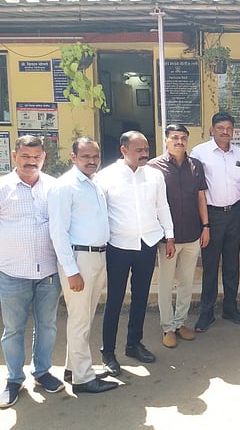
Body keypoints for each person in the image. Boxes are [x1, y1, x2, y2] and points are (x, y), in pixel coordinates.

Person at [95, 131, 175, 376]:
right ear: (124, 151)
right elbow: (99, 213)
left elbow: (162, 206)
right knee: (115, 299)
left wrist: (169, 235)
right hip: (118, 245)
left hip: (147, 243)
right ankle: (108, 352)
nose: (144, 154)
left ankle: (134, 344)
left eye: (146, 149)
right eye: (139, 150)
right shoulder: (105, 177)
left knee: (141, 296)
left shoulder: (154, 175)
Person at [48, 137, 118, 395]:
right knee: (80, 319)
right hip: (79, 259)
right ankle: (83, 379)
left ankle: (74, 368)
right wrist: (71, 270)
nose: (91, 161)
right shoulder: (65, 186)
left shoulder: (93, 183)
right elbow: (58, 232)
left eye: (95, 156)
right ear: (73, 157)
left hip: (97, 256)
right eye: (85, 156)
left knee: (86, 317)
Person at [0, 135, 63, 408]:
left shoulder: (54, 187)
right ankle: (14, 379)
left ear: (44, 157)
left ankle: (42, 371)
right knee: (13, 329)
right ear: (15, 156)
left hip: (48, 271)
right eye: (25, 156)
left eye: (36, 157)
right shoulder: (3, 188)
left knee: (47, 325)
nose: (31, 161)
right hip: (12, 272)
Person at [148, 125, 209, 348]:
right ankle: (167, 327)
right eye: (174, 137)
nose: (179, 142)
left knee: (186, 282)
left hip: (192, 233)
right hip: (168, 238)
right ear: (166, 140)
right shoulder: (154, 167)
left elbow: (201, 197)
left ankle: (180, 323)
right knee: (165, 283)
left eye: (183, 138)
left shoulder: (196, 166)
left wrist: (206, 226)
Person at [190, 113, 240, 330]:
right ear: (212, 129)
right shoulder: (199, 153)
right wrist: (203, 223)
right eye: (220, 128)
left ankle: (230, 308)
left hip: (234, 213)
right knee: (210, 265)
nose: (225, 132)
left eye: (229, 128)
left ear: (233, 131)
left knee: (232, 264)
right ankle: (206, 312)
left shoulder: (239, 153)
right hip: (211, 215)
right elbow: (196, 189)